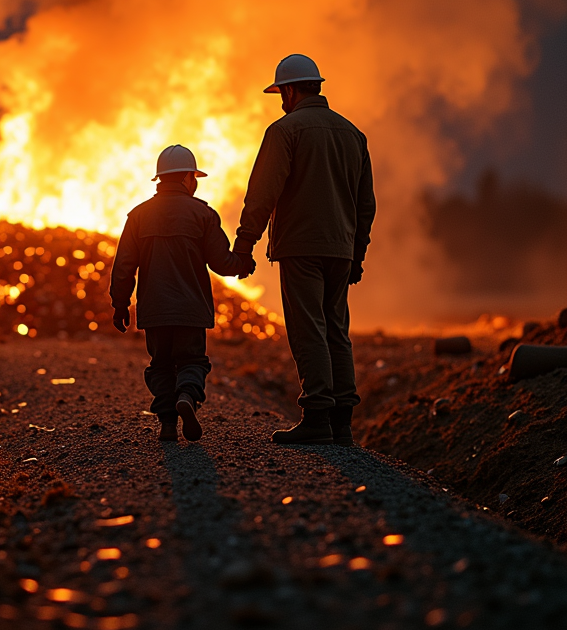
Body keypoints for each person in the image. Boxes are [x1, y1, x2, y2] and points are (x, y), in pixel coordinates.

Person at [232, 54, 376, 446]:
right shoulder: (353, 134)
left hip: (301, 247)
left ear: (292, 90)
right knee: (336, 329)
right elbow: (366, 205)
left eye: (281, 93)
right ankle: (342, 422)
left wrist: (244, 245)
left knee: (308, 327)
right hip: (341, 249)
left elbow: (263, 194)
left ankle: (316, 416)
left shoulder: (285, 131)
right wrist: (356, 254)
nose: (281, 100)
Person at [110, 145, 251, 442]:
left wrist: (120, 304)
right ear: (188, 177)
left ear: (160, 179)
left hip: (155, 310)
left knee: (160, 365)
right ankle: (187, 395)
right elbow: (222, 263)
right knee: (192, 361)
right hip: (191, 310)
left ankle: (167, 425)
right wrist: (243, 263)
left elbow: (124, 265)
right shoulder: (202, 214)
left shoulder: (138, 216)